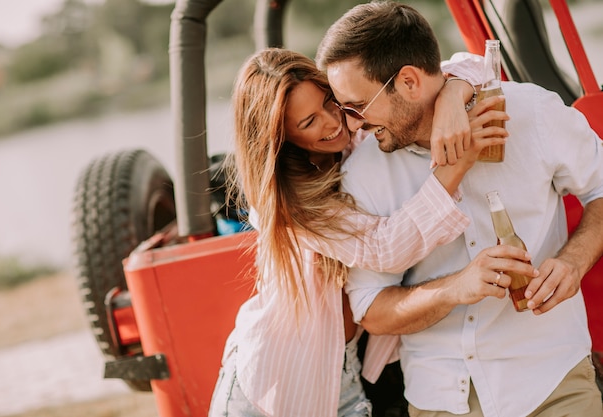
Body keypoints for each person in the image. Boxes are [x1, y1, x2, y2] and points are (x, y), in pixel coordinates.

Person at [315, 2, 603, 416]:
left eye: (357, 106)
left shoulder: (531, 111)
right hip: (439, 398)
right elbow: (372, 311)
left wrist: (574, 262)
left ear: (410, 81)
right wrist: (456, 287)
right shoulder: (362, 173)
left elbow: (600, 186)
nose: (352, 124)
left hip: (552, 381)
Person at [208, 47, 511, 417]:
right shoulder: (289, 203)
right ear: (280, 139)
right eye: (308, 123)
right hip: (277, 381)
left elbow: (472, 64)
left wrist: (451, 94)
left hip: (350, 366)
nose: (333, 121)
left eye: (327, 102)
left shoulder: (356, 136)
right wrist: (454, 167)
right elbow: (384, 248)